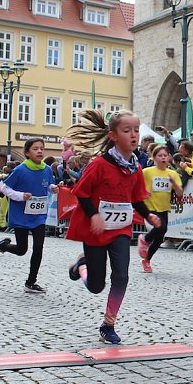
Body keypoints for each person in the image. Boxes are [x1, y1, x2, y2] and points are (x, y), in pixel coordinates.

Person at [64, 110, 161, 344]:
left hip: (120, 230)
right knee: (96, 286)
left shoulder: (135, 167)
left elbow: (136, 197)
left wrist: (149, 214)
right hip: (96, 230)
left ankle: (108, 325)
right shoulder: (99, 164)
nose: (134, 135)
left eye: (136, 130)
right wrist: (94, 215)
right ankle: (82, 267)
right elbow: (82, 193)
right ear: (113, 135)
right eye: (127, 131)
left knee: (121, 275)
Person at [0, 138, 60, 294]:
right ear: (27, 152)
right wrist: (21, 196)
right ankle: (4, 246)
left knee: (39, 247)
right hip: (21, 215)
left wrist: (53, 188)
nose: (40, 151)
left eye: (42, 148)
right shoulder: (21, 170)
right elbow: (4, 188)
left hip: (39, 215)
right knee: (22, 249)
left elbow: (47, 184)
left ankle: (31, 282)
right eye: (35, 149)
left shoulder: (47, 169)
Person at [138, 145, 183, 273]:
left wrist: (173, 183)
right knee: (161, 227)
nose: (163, 158)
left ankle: (146, 260)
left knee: (159, 238)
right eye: (160, 155)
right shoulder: (146, 172)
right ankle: (145, 239)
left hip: (164, 207)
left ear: (169, 157)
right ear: (154, 157)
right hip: (149, 206)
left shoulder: (173, 173)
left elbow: (180, 193)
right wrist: (143, 191)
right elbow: (135, 184)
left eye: (165, 155)